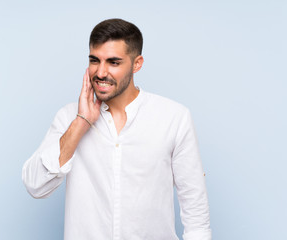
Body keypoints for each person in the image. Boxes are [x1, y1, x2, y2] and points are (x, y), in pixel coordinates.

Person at [22, 18, 211, 240]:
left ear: (137, 63)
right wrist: (81, 122)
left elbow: (196, 210)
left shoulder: (174, 118)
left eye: (113, 62)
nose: (101, 73)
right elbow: (36, 185)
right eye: (95, 60)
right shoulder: (68, 118)